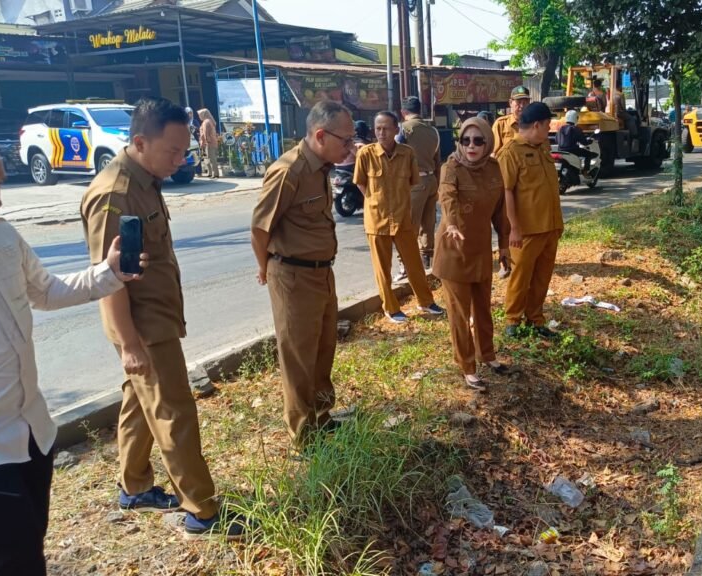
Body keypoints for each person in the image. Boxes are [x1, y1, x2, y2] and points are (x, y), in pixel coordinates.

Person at [0, 124, 145, 575]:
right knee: (15, 564)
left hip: (32, 432)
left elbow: (46, 291)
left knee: (26, 553)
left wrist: (109, 272)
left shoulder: (2, 238)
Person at [80, 98, 243, 539]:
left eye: (184, 150)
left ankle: (134, 487)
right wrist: (131, 343)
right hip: (143, 325)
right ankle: (202, 511)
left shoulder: (146, 178)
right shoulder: (116, 194)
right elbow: (107, 278)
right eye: (173, 151)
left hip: (156, 316)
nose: (181, 159)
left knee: (140, 399)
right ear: (139, 142)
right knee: (173, 411)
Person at [251, 101, 353, 442]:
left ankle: (322, 417)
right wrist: (266, 270)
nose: (350, 147)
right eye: (346, 140)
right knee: (298, 356)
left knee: (323, 348)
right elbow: (260, 228)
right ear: (321, 135)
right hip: (293, 276)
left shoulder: (321, 167)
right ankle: (304, 435)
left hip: (322, 273)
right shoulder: (289, 171)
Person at [432, 117, 512, 391]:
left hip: (479, 250)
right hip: (453, 251)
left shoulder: (493, 168)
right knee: (459, 313)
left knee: (483, 308)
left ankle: (487, 355)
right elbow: (448, 197)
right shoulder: (451, 166)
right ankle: (467, 367)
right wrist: (451, 223)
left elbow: (501, 211)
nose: (471, 146)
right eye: (466, 140)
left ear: (488, 142)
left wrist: (504, 245)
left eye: (478, 140)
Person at [354, 111, 445, 324]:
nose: (382, 132)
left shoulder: (407, 153)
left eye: (386, 128)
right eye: (378, 128)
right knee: (382, 269)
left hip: (403, 218)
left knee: (414, 264)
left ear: (397, 129)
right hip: (377, 221)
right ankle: (391, 308)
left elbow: (412, 182)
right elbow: (361, 183)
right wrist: (375, 201)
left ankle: (425, 301)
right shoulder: (366, 154)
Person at [497, 102, 563, 340]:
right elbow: (506, 192)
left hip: (549, 226)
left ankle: (535, 319)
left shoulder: (542, 147)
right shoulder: (510, 152)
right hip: (526, 230)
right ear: (537, 125)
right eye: (547, 125)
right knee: (521, 276)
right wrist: (513, 229)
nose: (549, 129)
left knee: (542, 276)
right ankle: (513, 320)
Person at [395, 96, 441, 279]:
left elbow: (394, 154)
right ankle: (427, 260)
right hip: (431, 180)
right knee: (428, 224)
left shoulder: (403, 130)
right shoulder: (433, 131)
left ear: (403, 112)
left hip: (414, 183)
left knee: (408, 225)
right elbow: (438, 161)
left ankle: (405, 265)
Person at [491, 85, 532, 156]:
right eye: (518, 102)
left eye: (525, 102)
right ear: (510, 103)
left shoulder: (534, 125)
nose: (522, 106)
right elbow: (494, 153)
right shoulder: (501, 124)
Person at [197, 108, 219, 179]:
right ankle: (211, 173)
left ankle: (215, 174)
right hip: (210, 142)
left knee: (211, 159)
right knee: (207, 159)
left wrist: (205, 141)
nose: (199, 116)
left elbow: (206, 133)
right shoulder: (208, 121)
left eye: (200, 115)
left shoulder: (206, 122)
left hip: (208, 143)